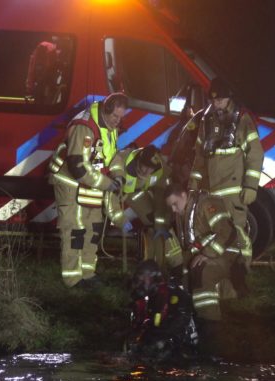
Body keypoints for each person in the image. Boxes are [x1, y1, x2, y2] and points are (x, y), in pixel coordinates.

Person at [48, 92, 129, 288]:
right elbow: (78, 167)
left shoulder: (110, 126)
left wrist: (118, 175)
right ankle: (73, 279)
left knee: (93, 229)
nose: (117, 122)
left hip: (92, 182)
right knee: (75, 231)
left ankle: (87, 273)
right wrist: (106, 184)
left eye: (121, 118)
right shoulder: (84, 127)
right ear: (106, 110)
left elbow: (113, 155)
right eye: (115, 117)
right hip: (71, 183)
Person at [164, 183, 251, 353]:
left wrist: (208, 254)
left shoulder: (207, 204)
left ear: (183, 195)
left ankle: (211, 326)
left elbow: (226, 232)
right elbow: (189, 247)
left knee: (202, 273)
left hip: (229, 254)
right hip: (208, 254)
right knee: (182, 283)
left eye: (175, 204)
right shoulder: (184, 212)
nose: (174, 210)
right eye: (171, 207)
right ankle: (191, 328)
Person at [188, 78, 264, 230]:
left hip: (233, 194)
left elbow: (255, 154)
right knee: (214, 234)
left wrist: (251, 186)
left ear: (230, 98)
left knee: (235, 234)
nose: (216, 104)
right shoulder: (207, 120)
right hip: (210, 192)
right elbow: (200, 156)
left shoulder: (242, 120)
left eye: (220, 100)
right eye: (214, 100)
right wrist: (194, 183)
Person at [105, 144, 180, 266]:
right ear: (138, 159)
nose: (146, 171)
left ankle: (175, 264)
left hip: (136, 195)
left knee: (157, 225)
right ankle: (150, 264)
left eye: (150, 168)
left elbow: (161, 196)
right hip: (115, 198)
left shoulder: (160, 169)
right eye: (144, 166)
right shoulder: (122, 164)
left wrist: (160, 223)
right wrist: (120, 220)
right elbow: (109, 196)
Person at [125, 259, 197, 362]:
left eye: (143, 278)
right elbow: (143, 326)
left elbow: (180, 321)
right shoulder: (146, 300)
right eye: (138, 279)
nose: (140, 283)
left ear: (153, 277)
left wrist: (158, 341)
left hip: (182, 348)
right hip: (160, 347)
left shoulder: (172, 293)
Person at [25, 36, 63, 104]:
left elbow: (33, 65)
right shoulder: (44, 46)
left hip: (50, 81)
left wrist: (30, 85)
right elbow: (34, 65)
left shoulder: (45, 46)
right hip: (47, 81)